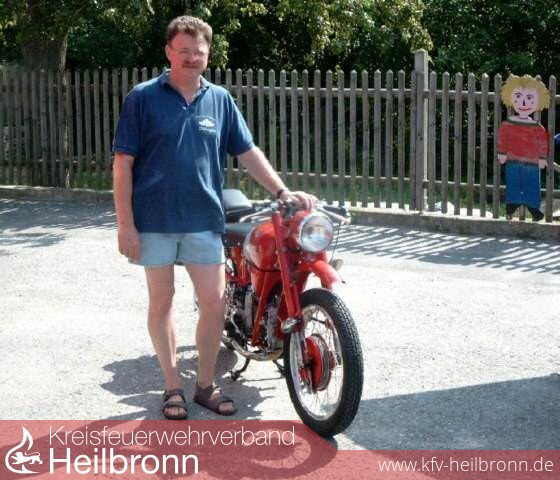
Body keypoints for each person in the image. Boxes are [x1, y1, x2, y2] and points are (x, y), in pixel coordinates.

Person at [112, 15, 315, 420]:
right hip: (154, 220)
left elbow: (247, 152)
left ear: (208, 55)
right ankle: (172, 386)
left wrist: (281, 191)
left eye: (199, 52)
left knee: (214, 303)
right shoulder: (143, 97)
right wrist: (125, 225)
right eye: (183, 51)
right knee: (162, 302)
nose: (191, 58)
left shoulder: (219, 99)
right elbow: (123, 164)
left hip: (204, 219)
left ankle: (205, 385)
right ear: (169, 52)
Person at [497, 74, 550, 221]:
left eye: (529, 98)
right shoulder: (507, 124)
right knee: (513, 182)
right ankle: (511, 206)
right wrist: (502, 153)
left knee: (532, 185)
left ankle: (533, 208)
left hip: (532, 163)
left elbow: (542, 143)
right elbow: (503, 139)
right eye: (518, 97)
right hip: (512, 160)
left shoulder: (538, 128)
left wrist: (542, 158)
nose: (524, 102)